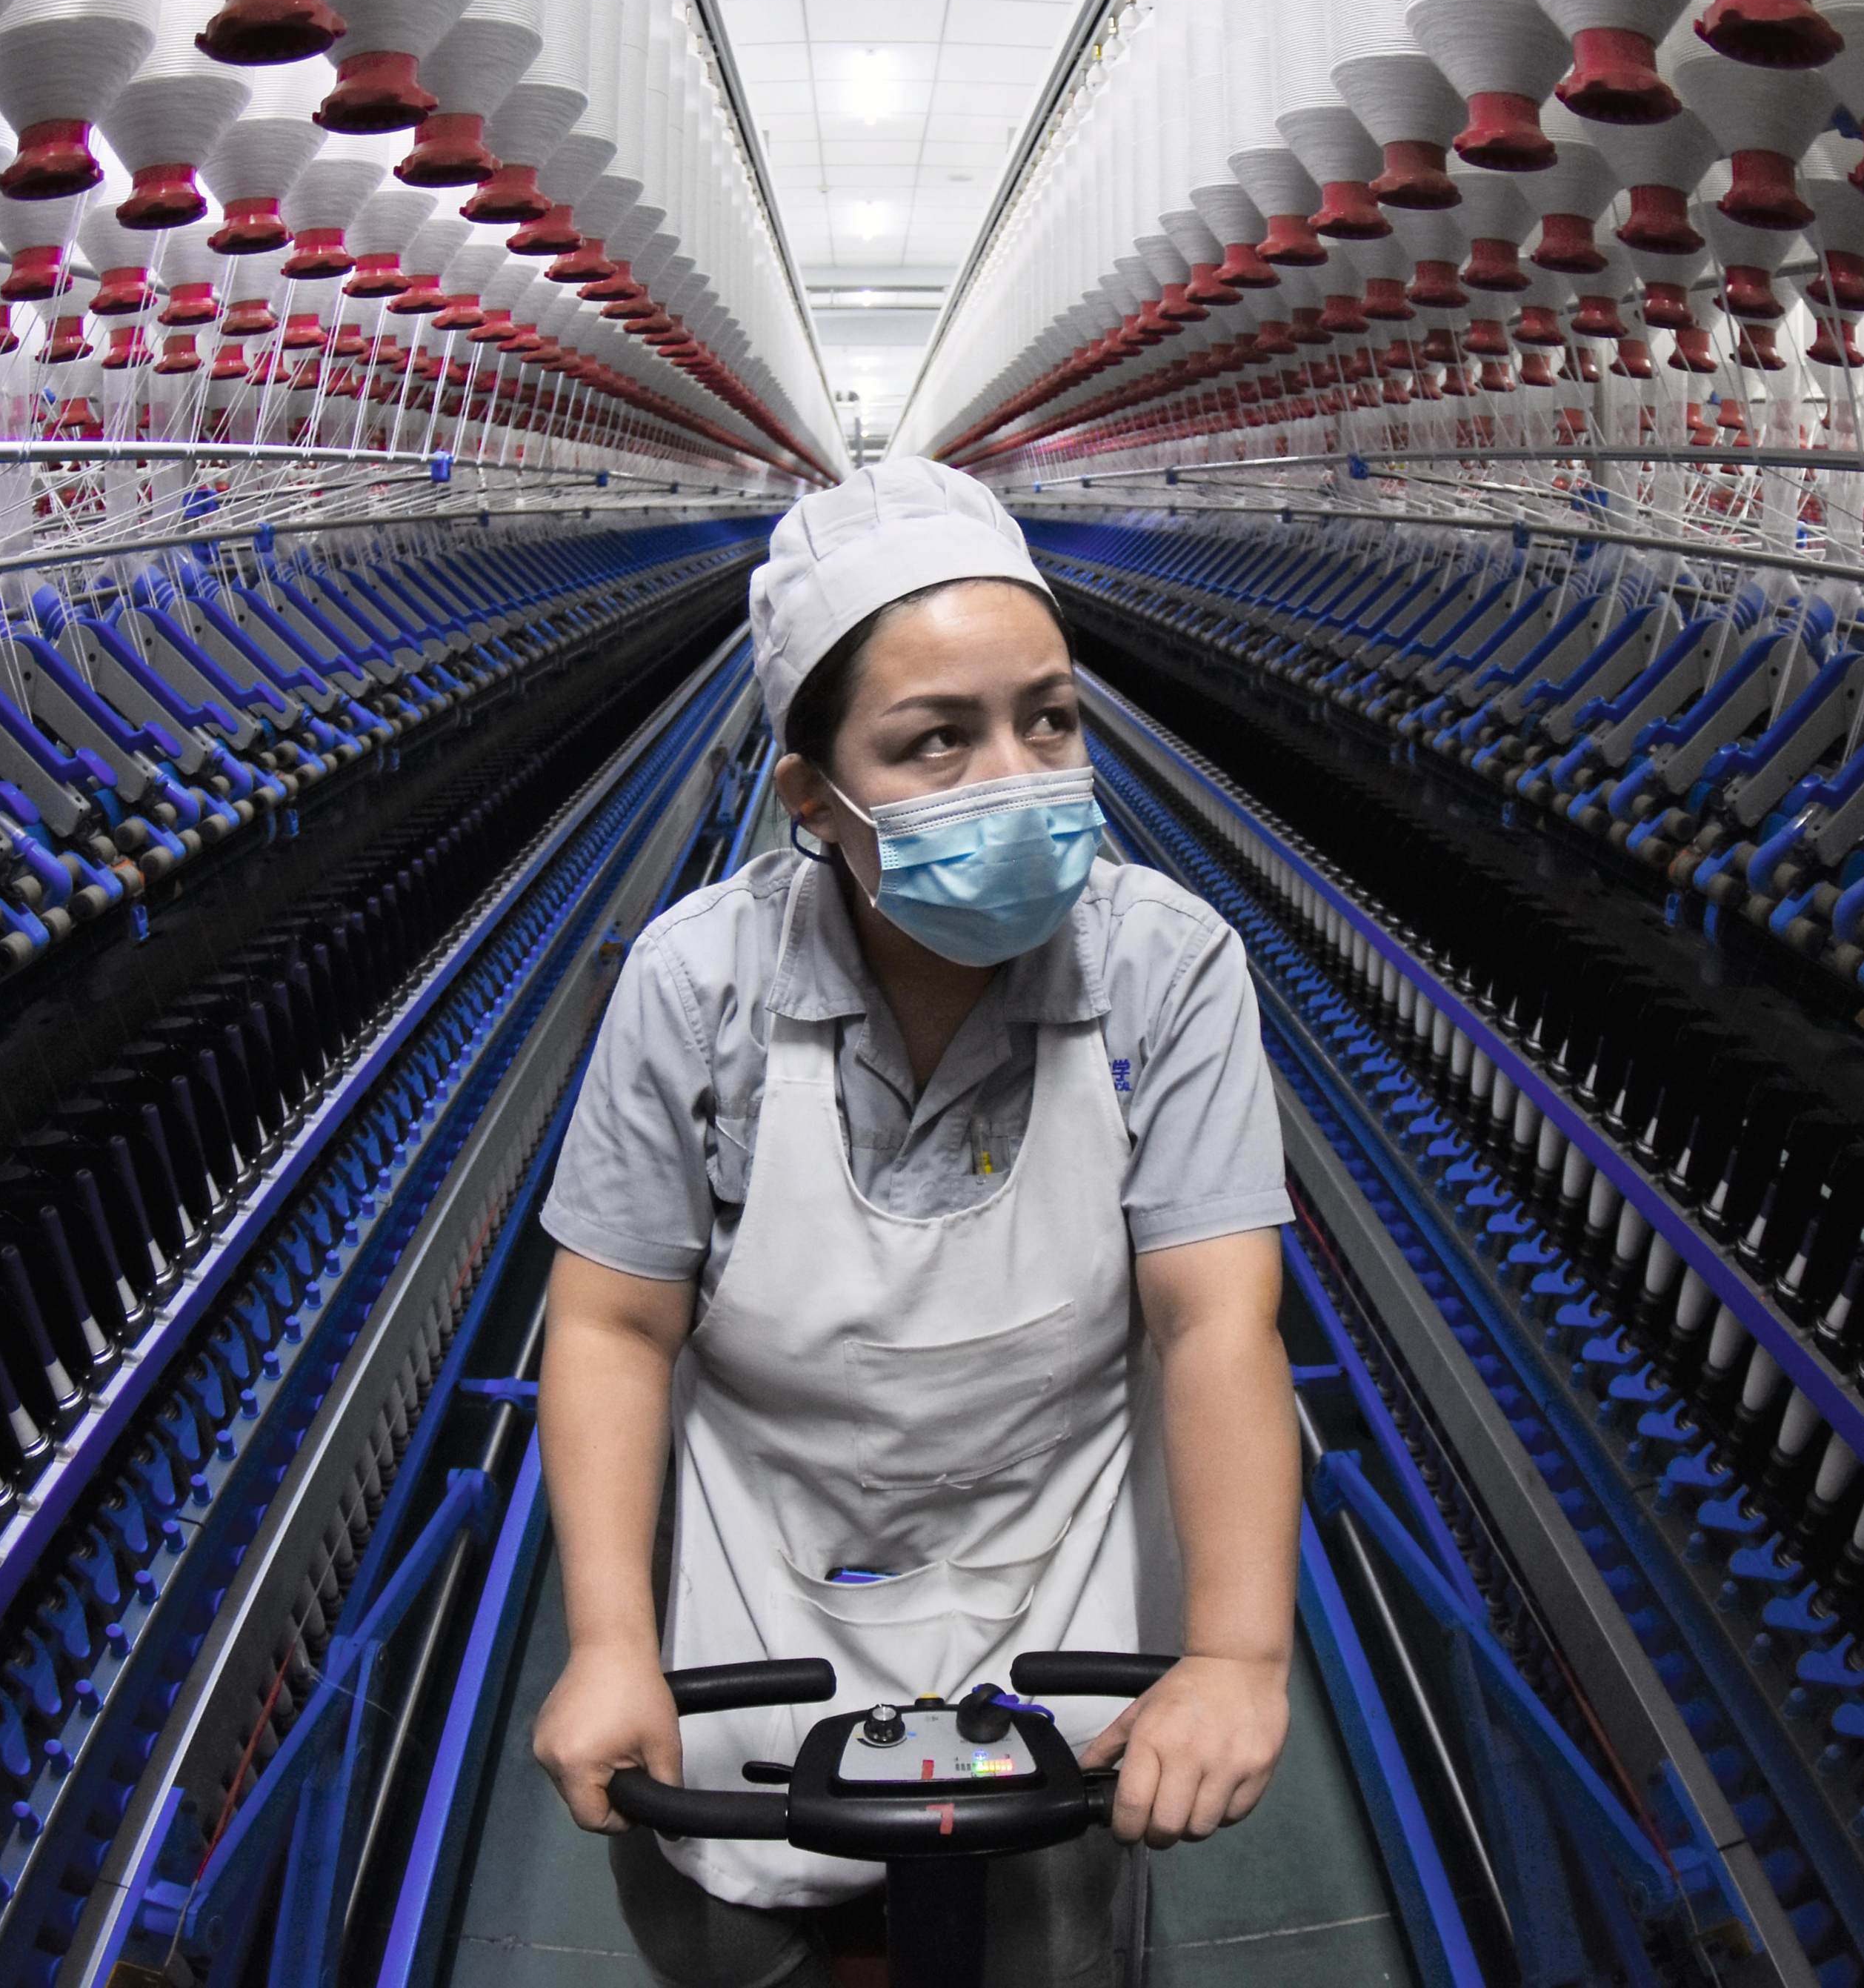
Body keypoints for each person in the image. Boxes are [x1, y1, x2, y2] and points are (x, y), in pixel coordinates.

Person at [530, 461, 1300, 1988]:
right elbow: (612, 1326)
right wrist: (612, 1640)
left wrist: (1232, 1655)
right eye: (934, 742)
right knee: (732, 1932)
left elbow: (1214, 1322)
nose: (1012, 776)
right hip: (764, 1575)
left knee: (1049, 1945)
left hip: (1056, 1568)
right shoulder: (700, 987)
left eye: (1047, 720)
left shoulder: (1164, 970)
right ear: (811, 797)